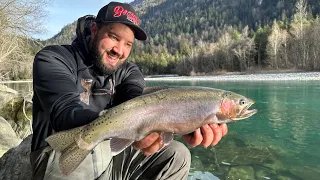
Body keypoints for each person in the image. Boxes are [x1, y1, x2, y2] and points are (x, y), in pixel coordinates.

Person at [30, 1, 228, 180]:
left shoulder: (129, 71)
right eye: (113, 37)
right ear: (94, 29)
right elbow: (64, 113)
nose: (119, 50)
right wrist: (127, 125)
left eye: (128, 44)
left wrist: (186, 122)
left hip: (112, 152)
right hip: (63, 152)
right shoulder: (54, 58)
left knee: (178, 155)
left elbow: (139, 103)